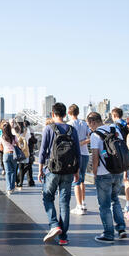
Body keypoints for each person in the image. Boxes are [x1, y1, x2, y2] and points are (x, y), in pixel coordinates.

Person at [38, 102, 80, 246]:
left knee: (47, 197)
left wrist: (40, 170)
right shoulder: (71, 129)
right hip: (68, 170)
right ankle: (63, 237)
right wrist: (77, 171)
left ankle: (54, 224)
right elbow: (77, 153)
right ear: (65, 114)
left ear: (53, 114)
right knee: (65, 203)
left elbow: (43, 151)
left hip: (52, 170)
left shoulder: (49, 128)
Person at [87, 112, 126, 243]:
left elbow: (95, 156)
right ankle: (121, 228)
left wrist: (94, 173)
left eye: (89, 124)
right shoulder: (116, 130)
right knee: (115, 200)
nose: (90, 127)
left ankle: (109, 234)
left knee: (104, 205)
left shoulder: (95, 135)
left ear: (92, 122)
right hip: (118, 171)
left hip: (104, 174)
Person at [68, 104, 91, 215]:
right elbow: (89, 137)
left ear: (69, 113)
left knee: (76, 179)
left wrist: (79, 143)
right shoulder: (84, 123)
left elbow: (70, 142)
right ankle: (83, 202)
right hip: (86, 153)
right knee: (82, 178)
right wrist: (84, 142)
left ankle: (78, 206)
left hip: (75, 155)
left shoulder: (69, 125)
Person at [111, 107, 129, 214]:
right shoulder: (127, 124)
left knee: (117, 179)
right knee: (128, 180)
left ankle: (114, 202)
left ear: (114, 115)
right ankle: (128, 204)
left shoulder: (113, 126)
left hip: (119, 155)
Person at [0, 122, 20, 196]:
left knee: (8, 172)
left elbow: (1, 148)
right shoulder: (14, 137)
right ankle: (12, 187)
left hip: (6, 155)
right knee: (13, 171)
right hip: (13, 155)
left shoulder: (2, 137)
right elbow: (18, 145)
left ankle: (9, 188)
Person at [15, 121, 32, 190]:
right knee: (24, 166)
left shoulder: (15, 131)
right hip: (25, 150)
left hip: (18, 150)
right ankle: (20, 183)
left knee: (19, 167)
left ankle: (17, 182)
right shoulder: (26, 130)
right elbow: (29, 137)